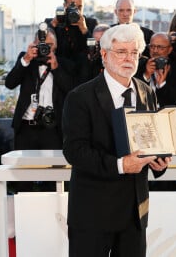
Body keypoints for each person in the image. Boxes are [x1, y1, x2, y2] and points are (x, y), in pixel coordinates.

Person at [62, 23, 170, 257]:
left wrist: (158, 162)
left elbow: (151, 140)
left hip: (134, 214)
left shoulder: (147, 91)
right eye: (121, 52)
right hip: (93, 213)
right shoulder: (79, 97)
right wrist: (121, 165)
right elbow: (74, 151)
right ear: (104, 54)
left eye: (134, 52)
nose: (128, 58)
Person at [5, 23, 73, 191]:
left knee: (54, 177)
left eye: (50, 46)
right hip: (26, 128)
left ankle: (52, 213)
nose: (46, 49)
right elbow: (9, 83)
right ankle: (24, 212)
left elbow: (72, 91)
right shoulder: (26, 59)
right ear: (35, 44)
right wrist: (27, 59)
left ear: (56, 46)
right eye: (43, 45)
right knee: (23, 179)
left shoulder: (64, 64)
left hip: (52, 129)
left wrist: (55, 68)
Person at [46, 0, 98, 86]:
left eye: (79, 7)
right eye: (72, 7)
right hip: (58, 74)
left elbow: (95, 50)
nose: (76, 11)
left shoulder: (91, 24)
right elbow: (42, 41)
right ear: (64, 6)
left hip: (84, 76)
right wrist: (53, 23)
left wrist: (84, 30)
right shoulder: (54, 22)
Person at [135, 32, 176, 108]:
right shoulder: (139, 65)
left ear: (170, 49)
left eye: (160, 47)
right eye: (152, 46)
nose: (155, 50)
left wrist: (162, 85)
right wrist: (146, 75)